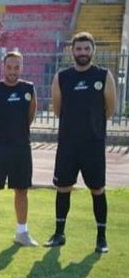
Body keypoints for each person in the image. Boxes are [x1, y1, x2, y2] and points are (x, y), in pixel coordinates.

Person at [47, 32, 117, 252]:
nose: (83, 53)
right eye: (79, 49)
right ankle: (59, 234)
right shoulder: (62, 77)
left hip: (93, 144)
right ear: (72, 51)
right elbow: (57, 109)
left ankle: (101, 238)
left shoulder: (103, 75)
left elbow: (110, 109)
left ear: (93, 50)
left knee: (97, 189)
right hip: (68, 144)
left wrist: (92, 126)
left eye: (87, 49)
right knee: (63, 187)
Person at [0, 51, 38, 247]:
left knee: (21, 190)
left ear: (22, 68)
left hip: (21, 148)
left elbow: (30, 117)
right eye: (9, 67)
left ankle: (22, 233)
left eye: (17, 67)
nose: (13, 71)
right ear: (3, 67)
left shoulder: (29, 89)